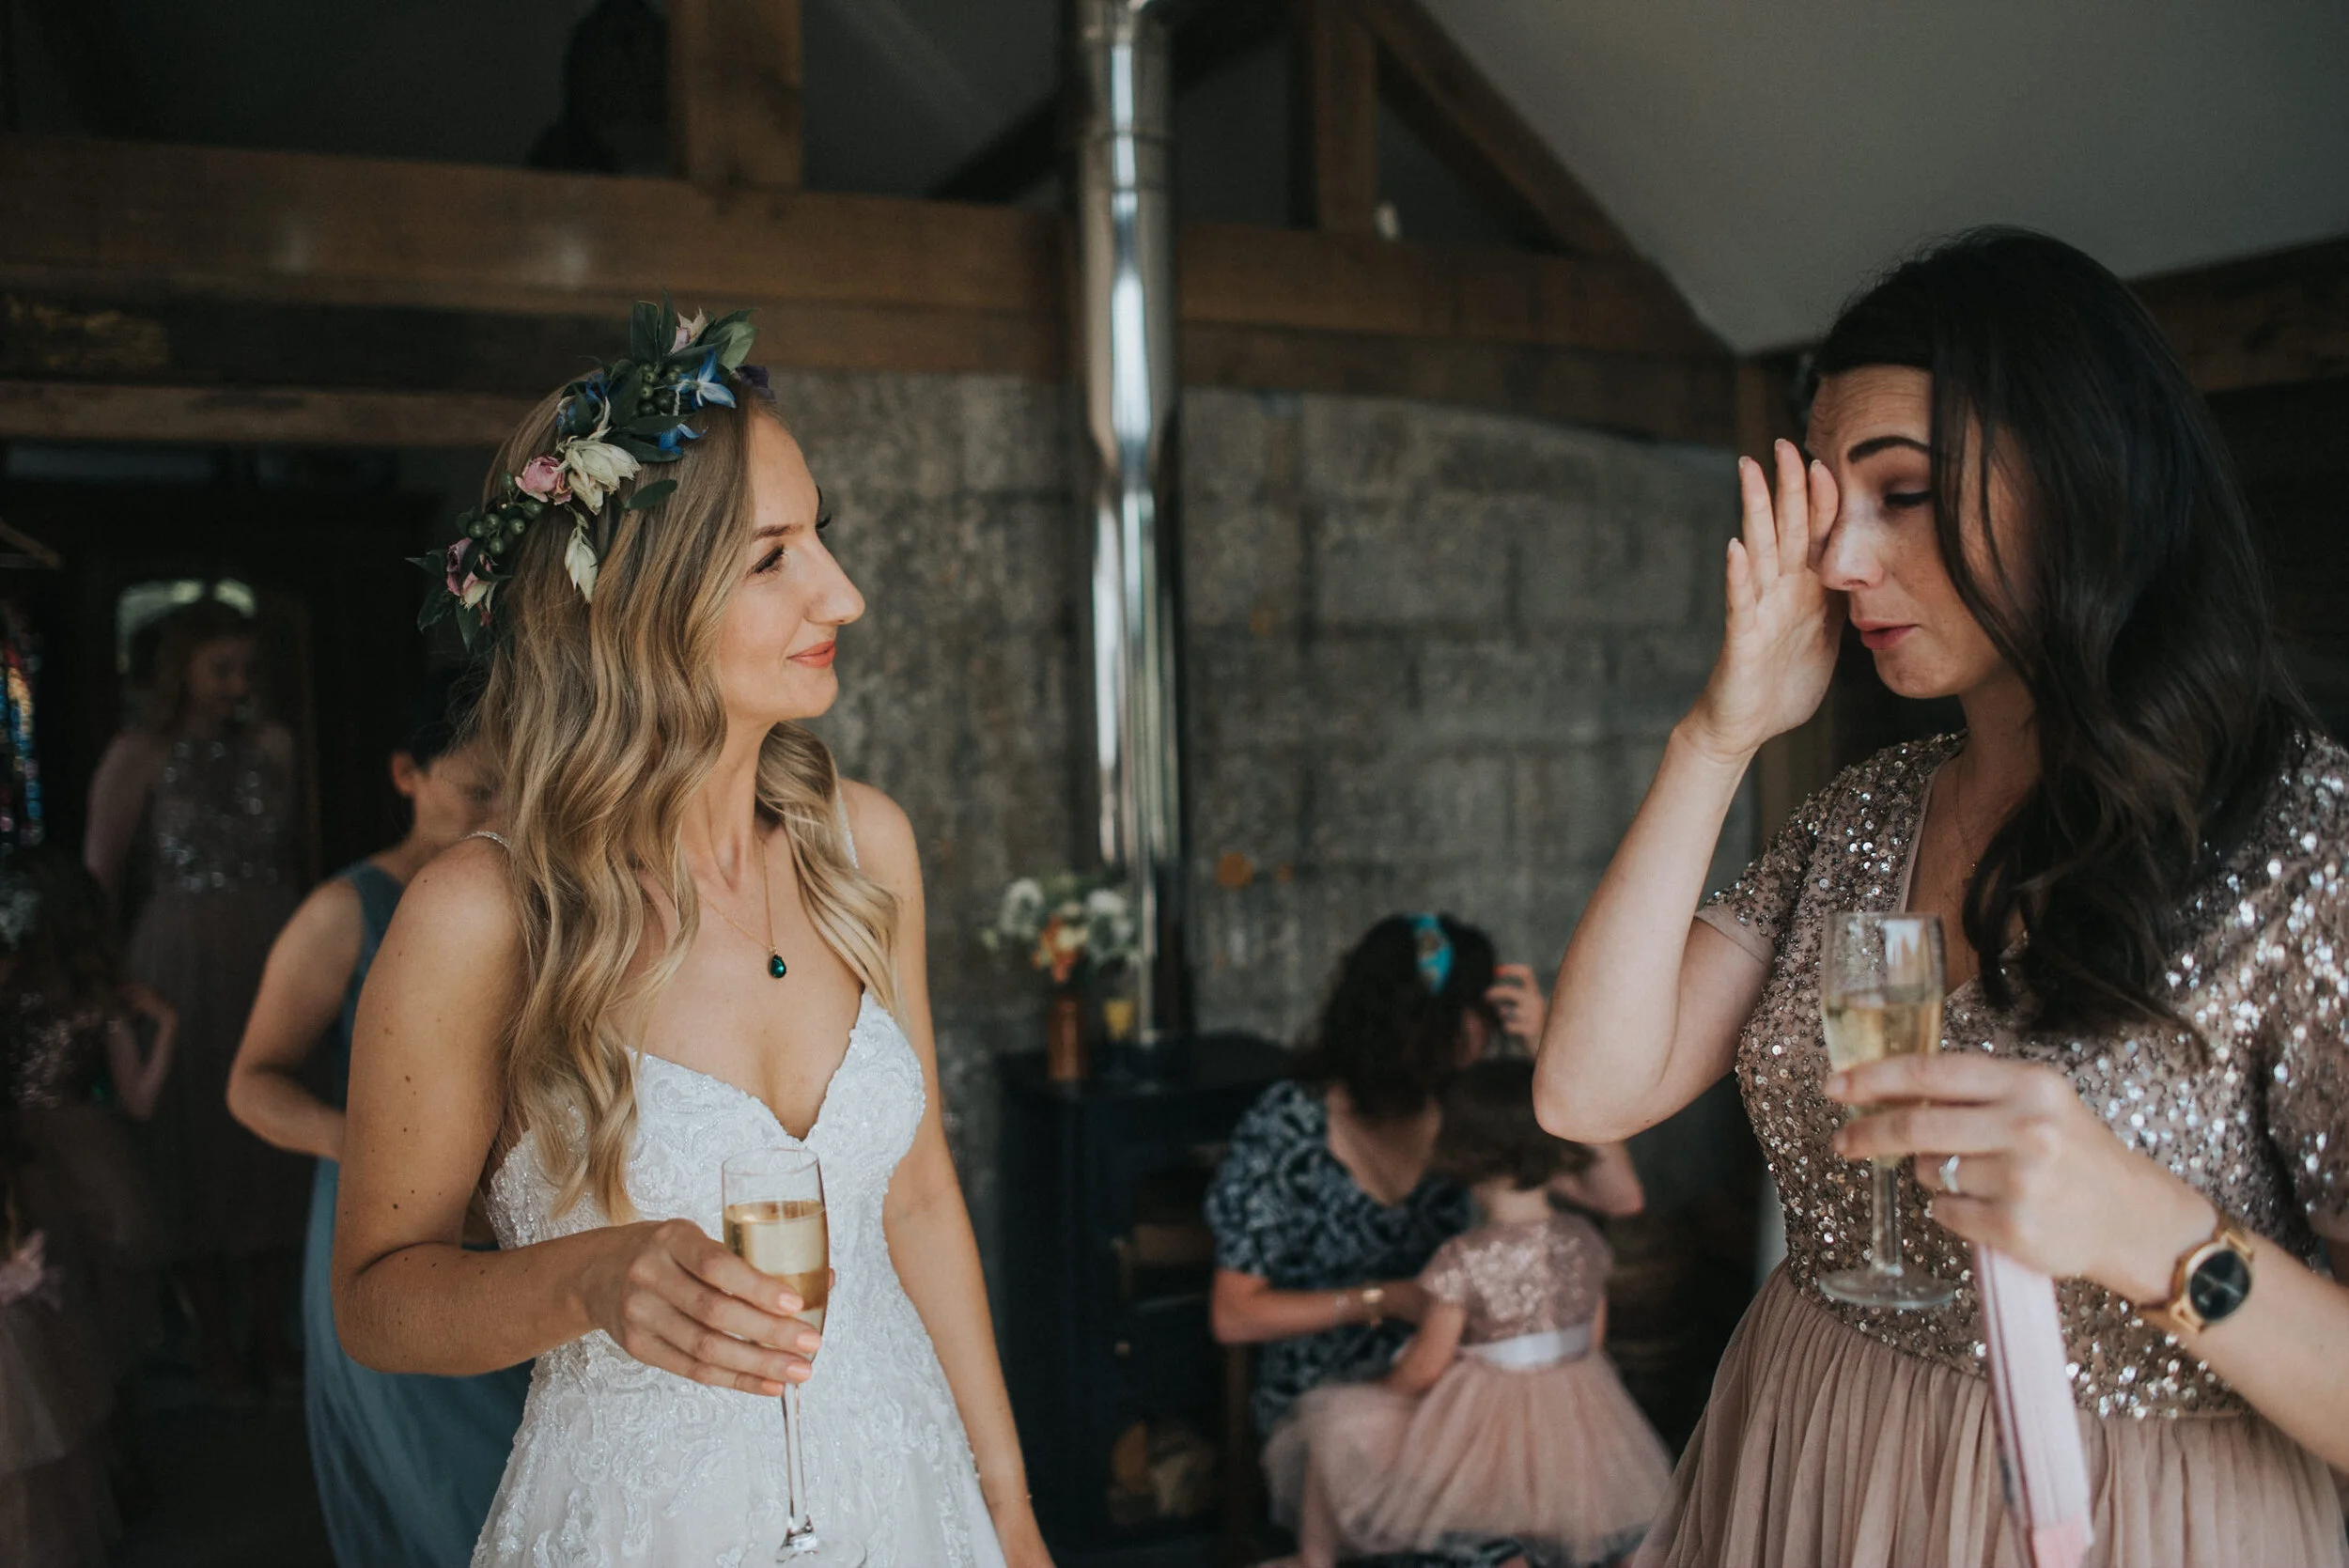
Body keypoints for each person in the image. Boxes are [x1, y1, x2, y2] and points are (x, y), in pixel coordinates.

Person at [1534, 228, 2349, 1567]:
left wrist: (2154, 1237)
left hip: (2122, 1518)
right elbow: (1586, 1090)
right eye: (1828, 504)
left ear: (2088, 484)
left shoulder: (2308, 842)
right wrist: (1718, 735)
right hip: (1810, 1455)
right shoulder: (1867, 807)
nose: (1841, 559)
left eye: (1901, 491)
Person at [330, 305, 1044, 1566]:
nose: (846, 592)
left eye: (822, 535)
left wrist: (1011, 1514)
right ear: (640, 602)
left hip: (909, 1505)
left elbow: (922, 1201)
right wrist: (588, 1278)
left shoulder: (864, 849)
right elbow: (378, 1299)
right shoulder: (482, 915)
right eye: (776, 557)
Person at [1207, 914, 1641, 1568]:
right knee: (1502, 1550)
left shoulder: (1473, 1116)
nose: (1486, 1030)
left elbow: (1618, 1196)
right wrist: (1389, 1299)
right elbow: (1233, 1313)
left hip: (1476, 1392)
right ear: (1429, 1021)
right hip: (1340, 1395)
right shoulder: (1288, 1123)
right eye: (1478, 1011)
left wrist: (1550, 1046)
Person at [226, 676, 525, 1566]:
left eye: (516, 785)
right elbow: (251, 1081)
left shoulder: (530, 892)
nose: (497, 810)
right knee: (452, 1486)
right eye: (476, 788)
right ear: (407, 773)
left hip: (513, 1225)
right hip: (394, 1217)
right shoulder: (345, 911)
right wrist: (360, 1145)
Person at [1264, 1058, 1670, 1568]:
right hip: (1578, 1432)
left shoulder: (1465, 1258)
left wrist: (1382, 1395)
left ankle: (1313, 1560)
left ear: (1464, 1152)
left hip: (1483, 1443)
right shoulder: (1585, 1241)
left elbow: (1426, 1368)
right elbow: (1591, 1344)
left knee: (1335, 1425)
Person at [84, 598, 304, 1393]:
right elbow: (98, 878)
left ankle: (274, 1329)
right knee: (196, 1138)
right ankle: (213, 1335)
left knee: (271, 1141)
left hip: (269, 949)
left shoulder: (273, 745)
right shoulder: (138, 753)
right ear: (182, 670)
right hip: (177, 959)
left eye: (247, 667)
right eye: (221, 668)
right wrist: (101, 987)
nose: (236, 685)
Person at [0, 846, 176, 1385]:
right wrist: (167, 1025)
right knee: (65, 1292)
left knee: (82, 1294)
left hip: (67, 1154)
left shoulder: (92, 1000)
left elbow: (138, 1103)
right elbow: (140, 1105)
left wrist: (166, 1024)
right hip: (38, 1155)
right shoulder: (26, 995)